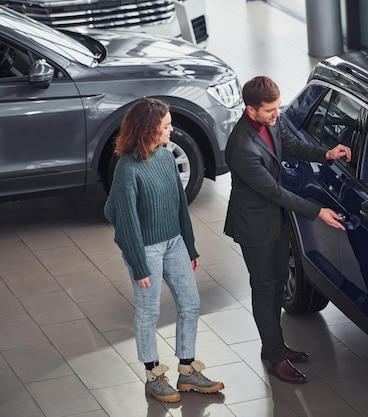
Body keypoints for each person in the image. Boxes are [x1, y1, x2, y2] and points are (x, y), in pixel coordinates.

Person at [224, 76, 351, 384]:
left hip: (275, 219)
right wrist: (318, 211)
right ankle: (275, 357)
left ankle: (274, 346)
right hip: (255, 226)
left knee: (280, 280)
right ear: (251, 110)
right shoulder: (242, 147)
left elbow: (291, 145)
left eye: (277, 108)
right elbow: (275, 192)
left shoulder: (271, 122)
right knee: (265, 288)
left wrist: (326, 154)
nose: (276, 115)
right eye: (269, 110)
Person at [104, 97, 224, 402]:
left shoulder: (166, 158)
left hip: (175, 243)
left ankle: (187, 370)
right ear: (148, 129)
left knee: (190, 303)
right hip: (146, 250)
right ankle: (153, 375)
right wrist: (138, 262)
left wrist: (190, 245)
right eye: (166, 126)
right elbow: (122, 218)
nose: (171, 130)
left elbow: (180, 205)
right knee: (149, 311)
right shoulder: (127, 169)